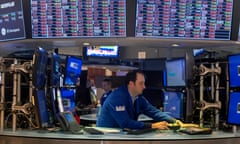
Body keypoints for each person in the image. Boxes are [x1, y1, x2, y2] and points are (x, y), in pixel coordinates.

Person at [96, 70, 183, 130]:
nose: (144, 87)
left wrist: (173, 120)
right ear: (131, 84)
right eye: (141, 83)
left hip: (122, 134)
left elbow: (154, 112)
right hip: (108, 135)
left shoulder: (138, 98)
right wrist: (152, 126)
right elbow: (125, 123)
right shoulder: (117, 98)